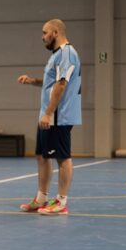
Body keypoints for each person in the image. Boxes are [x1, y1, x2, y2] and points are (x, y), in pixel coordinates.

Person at [17, 19, 82, 216]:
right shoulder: (56, 55)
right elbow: (51, 82)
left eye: (45, 33)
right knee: (42, 156)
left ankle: (61, 202)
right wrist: (32, 81)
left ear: (55, 33)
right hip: (48, 115)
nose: (42, 37)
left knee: (62, 157)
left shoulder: (67, 54)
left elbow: (61, 85)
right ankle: (41, 198)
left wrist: (48, 113)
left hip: (58, 116)